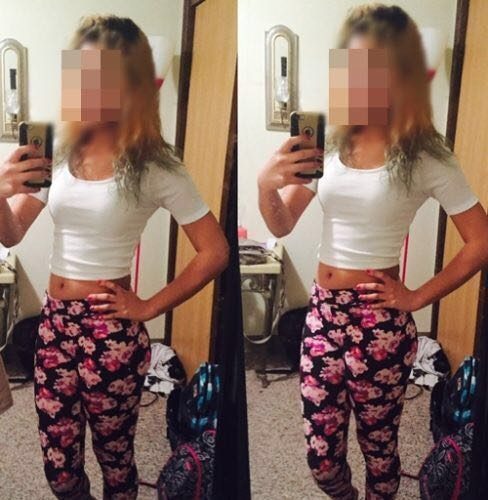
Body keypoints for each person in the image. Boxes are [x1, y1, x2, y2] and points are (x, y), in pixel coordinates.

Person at [258, 4, 488, 499]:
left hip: (380, 323)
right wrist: (265, 186)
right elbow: (282, 222)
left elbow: (481, 240)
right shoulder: (328, 145)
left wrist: (417, 297)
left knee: (379, 449)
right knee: (322, 459)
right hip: (323, 315)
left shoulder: (426, 155)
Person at [0, 15, 228, 500]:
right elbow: (12, 232)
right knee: (60, 471)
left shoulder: (156, 165)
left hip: (112, 333)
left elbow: (215, 251)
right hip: (54, 326)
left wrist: (149, 307)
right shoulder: (58, 153)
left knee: (116, 459)